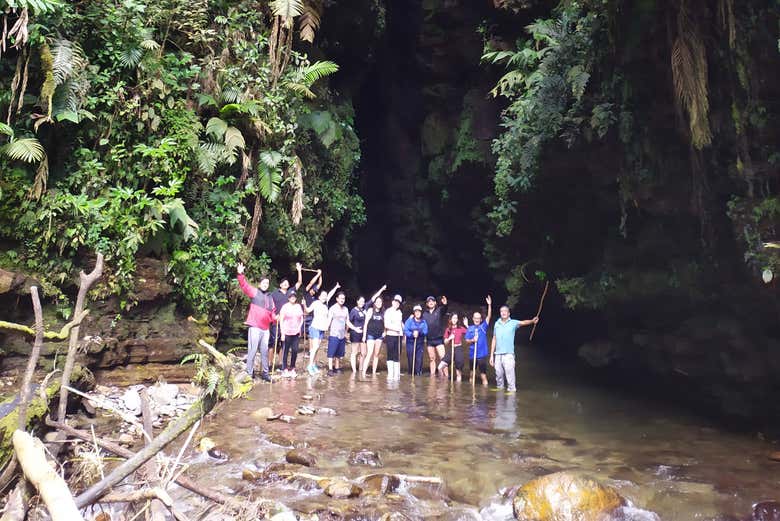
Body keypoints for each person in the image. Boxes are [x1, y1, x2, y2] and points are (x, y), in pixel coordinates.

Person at [236, 262, 275, 382]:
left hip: (265, 329)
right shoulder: (255, 292)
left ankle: (265, 373)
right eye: (263, 283)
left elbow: (272, 313)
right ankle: (249, 372)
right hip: (255, 326)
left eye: (267, 283)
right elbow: (244, 285)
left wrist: (276, 318)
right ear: (259, 284)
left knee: (264, 351)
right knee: (252, 350)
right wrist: (240, 273)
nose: (265, 285)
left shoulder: (270, 298)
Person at [490, 305, 539, 392]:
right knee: (498, 375)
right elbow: (494, 339)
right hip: (497, 354)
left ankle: (511, 391)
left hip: (508, 354)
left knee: (510, 375)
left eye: (505, 311)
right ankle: (499, 390)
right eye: (502, 311)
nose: (503, 312)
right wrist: (491, 356)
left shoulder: (513, 323)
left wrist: (532, 321)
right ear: (500, 313)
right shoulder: (496, 324)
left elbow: (523, 322)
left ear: (509, 313)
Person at [270, 263, 303, 367]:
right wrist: (274, 316)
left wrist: (299, 270)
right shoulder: (274, 293)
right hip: (277, 321)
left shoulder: (291, 292)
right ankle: (270, 363)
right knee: (273, 343)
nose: (285, 284)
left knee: (283, 343)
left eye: (287, 283)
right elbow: (270, 306)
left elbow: (299, 282)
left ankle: (281, 363)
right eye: (283, 283)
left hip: (288, 324)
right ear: (280, 285)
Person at [348, 285, 387, 373]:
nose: (362, 302)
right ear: (357, 301)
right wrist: (349, 330)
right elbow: (348, 321)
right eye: (360, 301)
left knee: (364, 353)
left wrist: (381, 289)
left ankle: (361, 369)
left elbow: (373, 298)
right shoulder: (354, 310)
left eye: (363, 301)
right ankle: (354, 371)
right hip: (358, 333)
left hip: (365, 333)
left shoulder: (366, 307)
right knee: (355, 352)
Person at [304, 283, 340, 375]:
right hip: (315, 327)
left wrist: (335, 287)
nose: (324, 297)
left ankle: (313, 364)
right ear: (319, 296)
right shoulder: (316, 303)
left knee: (317, 348)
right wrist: (304, 304)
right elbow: (308, 310)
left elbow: (330, 294)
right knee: (314, 347)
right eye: (322, 295)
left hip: (322, 329)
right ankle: (310, 365)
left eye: (325, 296)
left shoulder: (326, 303)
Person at [326, 291, 359, 375]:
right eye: (340, 298)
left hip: (342, 334)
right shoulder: (332, 308)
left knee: (339, 353)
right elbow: (329, 320)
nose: (342, 300)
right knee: (331, 352)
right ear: (337, 299)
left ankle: (337, 368)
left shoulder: (346, 309)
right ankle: (330, 369)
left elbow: (347, 321)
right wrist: (325, 328)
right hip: (334, 333)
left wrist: (355, 328)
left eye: (343, 298)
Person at [464, 295, 492, 386]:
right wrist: (472, 340)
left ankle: (484, 393)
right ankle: (471, 391)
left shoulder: (483, 327)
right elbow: (467, 341)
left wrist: (489, 305)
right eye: (475, 318)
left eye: (478, 318)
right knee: (472, 374)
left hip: (482, 355)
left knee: (483, 375)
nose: (476, 319)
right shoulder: (470, 328)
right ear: (473, 319)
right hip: (473, 355)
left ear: (480, 319)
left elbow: (489, 316)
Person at [278, 291, 305, 378]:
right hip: (286, 332)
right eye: (291, 297)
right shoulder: (285, 307)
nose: (293, 298)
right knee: (285, 350)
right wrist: (282, 333)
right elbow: (281, 320)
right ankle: (284, 368)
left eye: (294, 297)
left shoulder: (298, 306)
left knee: (295, 350)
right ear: (288, 298)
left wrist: (300, 327)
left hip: (296, 332)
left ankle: (292, 367)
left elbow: (301, 318)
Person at [422, 295, 448, 376]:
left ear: (435, 303)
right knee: (432, 359)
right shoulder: (424, 314)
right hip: (429, 340)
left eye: (432, 301)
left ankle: (446, 376)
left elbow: (445, 308)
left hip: (439, 339)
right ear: (427, 304)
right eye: (429, 302)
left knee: (443, 358)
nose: (431, 303)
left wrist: (445, 304)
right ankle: (432, 376)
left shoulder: (439, 310)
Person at [438, 313, 468, 381]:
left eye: (456, 318)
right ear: (450, 319)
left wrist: (466, 325)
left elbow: (470, 332)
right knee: (440, 367)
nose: (454, 319)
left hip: (458, 349)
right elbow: (445, 342)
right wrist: (449, 338)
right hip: (451, 350)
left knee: (458, 372)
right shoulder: (448, 329)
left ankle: (458, 389)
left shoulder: (460, 328)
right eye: (453, 318)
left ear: (457, 320)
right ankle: (442, 382)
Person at [361, 296, 385, 377]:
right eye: (377, 302)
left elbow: (385, 323)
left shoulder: (383, 312)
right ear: (374, 303)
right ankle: (363, 372)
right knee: (369, 353)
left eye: (380, 302)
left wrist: (384, 332)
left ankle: (374, 372)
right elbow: (366, 324)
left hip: (379, 335)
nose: (379, 303)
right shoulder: (371, 310)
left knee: (376, 354)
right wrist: (364, 336)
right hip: (370, 334)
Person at [383, 295, 404, 381]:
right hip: (390, 335)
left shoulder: (399, 312)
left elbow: (401, 323)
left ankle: (396, 374)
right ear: (392, 302)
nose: (397, 303)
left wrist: (404, 329)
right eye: (395, 301)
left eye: (398, 302)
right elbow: (386, 324)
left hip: (399, 336)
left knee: (397, 355)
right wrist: (396, 329)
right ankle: (390, 374)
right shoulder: (388, 311)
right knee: (390, 354)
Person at [403, 305, 428, 376]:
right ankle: (411, 374)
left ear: (421, 312)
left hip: (420, 344)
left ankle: (418, 375)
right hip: (410, 343)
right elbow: (405, 330)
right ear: (414, 313)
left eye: (419, 312)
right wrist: (412, 334)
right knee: (411, 360)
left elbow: (425, 331)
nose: (417, 313)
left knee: (419, 361)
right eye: (416, 312)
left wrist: (419, 333)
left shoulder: (424, 321)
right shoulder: (409, 320)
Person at [302, 269, 322, 337]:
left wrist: (320, 274)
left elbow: (319, 284)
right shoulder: (306, 292)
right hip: (304, 316)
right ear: (311, 289)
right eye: (313, 290)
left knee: (311, 334)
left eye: (315, 291)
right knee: (300, 333)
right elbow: (311, 283)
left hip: (311, 316)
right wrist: (318, 274)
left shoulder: (314, 297)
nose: (314, 292)